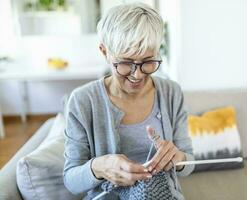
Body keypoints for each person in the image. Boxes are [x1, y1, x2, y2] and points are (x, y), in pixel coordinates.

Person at [63, 3, 194, 200]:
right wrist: (100, 167)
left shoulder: (171, 93)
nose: (137, 75)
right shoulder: (83, 101)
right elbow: (71, 181)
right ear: (104, 51)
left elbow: (189, 163)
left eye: (147, 61)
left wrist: (179, 159)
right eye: (125, 63)